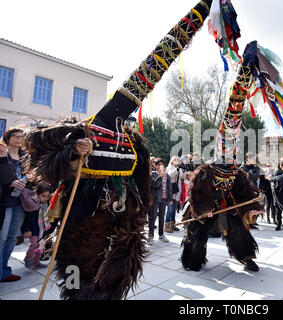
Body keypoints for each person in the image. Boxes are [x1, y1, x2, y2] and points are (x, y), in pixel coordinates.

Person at [22, 0, 211, 300]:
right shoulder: (82, 128)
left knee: (113, 281)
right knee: (74, 280)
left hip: (121, 223)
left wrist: (141, 210)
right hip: (81, 221)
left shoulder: (134, 145)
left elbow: (141, 182)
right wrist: (73, 150)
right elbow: (37, 148)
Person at [0, 128, 27, 282]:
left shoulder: (25, 157)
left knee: (12, 238)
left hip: (20, 201)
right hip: (5, 200)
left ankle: (5, 270)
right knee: (2, 238)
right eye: (15, 136)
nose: (18, 139)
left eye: (21, 136)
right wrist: (10, 182)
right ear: (8, 137)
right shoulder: (2, 154)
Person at [21, 183, 52, 269]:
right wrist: (26, 229)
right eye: (43, 196)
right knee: (34, 244)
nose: (45, 198)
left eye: (48, 196)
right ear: (37, 194)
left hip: (42, 229)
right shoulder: (33, 205)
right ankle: (28, 259)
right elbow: (27, 218)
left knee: (41, 246)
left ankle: (36, 262)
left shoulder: (45, 205)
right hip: (33, 230)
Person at [148, 159, 172, 244]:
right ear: (155, 165)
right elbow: (154, 185)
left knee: (162, 217)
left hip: (164, 199)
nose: (160, 166)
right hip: (155, 199)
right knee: (152, 217)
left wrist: (170, 199)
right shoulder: (153, 174)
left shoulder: (167, 176)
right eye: (159, 165)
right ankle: (150, 235)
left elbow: (169, 188)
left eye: (162, 164)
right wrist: (160, 176)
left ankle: (161, 234)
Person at [165, 156, 181, 233]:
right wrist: (176, 170)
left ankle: (172, 225)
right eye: (175, 159)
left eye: (178, 159)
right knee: (170, 209)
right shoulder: (169, 167)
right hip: (170, 191)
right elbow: (169, 175)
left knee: (174, 210)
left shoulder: (179, 168)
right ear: (172, 161)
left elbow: (182, 177)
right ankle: (166, 225)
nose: (176, 161)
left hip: (176, 191)